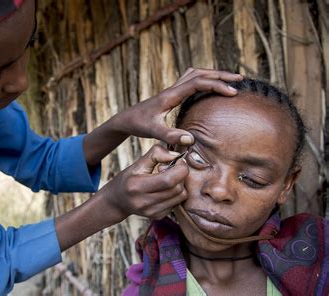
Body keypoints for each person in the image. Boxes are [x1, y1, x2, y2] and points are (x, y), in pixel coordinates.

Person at [0, 1, 242, 295]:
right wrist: (112, 203)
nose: (19, 82)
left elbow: (44, 162)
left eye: (30, 43)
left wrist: (121, 123)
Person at [123, 78, 329, 295]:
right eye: (198, 159)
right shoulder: (145, 289)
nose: (219, 191)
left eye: (253, 178)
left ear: (286, 185)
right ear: (170, 155)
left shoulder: (319, 270)